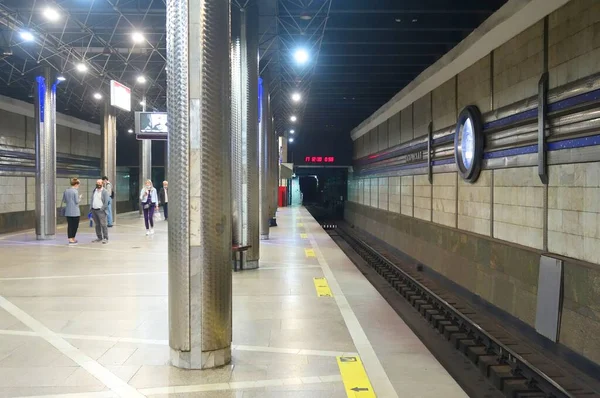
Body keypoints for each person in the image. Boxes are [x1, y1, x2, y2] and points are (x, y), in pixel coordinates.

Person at [61, 178, 83, 245]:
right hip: (75, 211)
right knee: (75, 225)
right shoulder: (75, 191)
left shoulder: (66, 191)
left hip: (68, 211)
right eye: (78, 184)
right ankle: (72, 238)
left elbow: (64, 200)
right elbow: (76, 201)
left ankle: (70, 238)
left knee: (70, 225)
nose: (79, 185)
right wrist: (80, 197)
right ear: (76, 184)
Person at [90, 179, 110, 244]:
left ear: (102, 184)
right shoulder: (94, 191)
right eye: (97, 183)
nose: (98, 184)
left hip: (101, 211)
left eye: (99, 183)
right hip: (94, 210)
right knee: (97, 225)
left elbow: (106, 202)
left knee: (103, 225)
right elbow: (92, 199)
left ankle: (105, 238)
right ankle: (99, 237)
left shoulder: (105, 191)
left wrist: (102, 209)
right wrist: (91, 208)